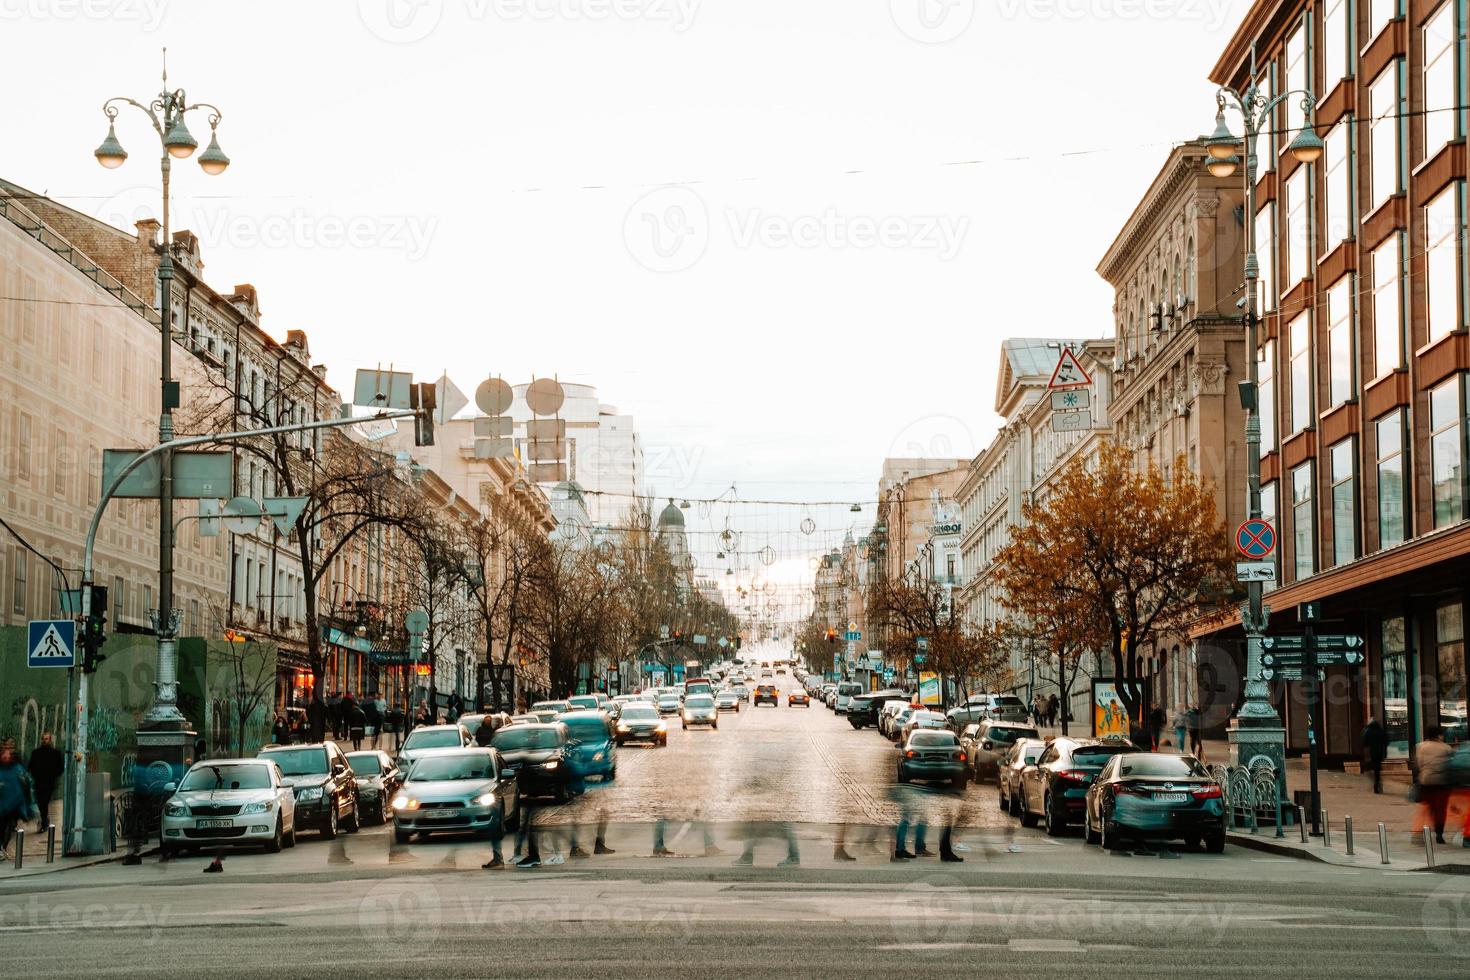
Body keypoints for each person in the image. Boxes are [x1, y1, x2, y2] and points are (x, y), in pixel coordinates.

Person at [0, 742, 39, 862]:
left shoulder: (17, 767)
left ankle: (2, 847)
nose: (6, 758)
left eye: (8, 756)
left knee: (9, 826)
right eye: (4, 756)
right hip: (2, 804)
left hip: (14, 805)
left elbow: (26, 781)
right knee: (2, 826)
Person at [1414, 732, 1453, 845]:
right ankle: (1439, 833)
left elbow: (1418, 765)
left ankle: (1419, 832)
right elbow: (1449, 765)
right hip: (1442, 783)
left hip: (1426, 782)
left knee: (1426, 807)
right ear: (1439, 735)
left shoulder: (1420, 746)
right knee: (1440, 809)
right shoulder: (1446, 748)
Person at [26, 732, 64, 832]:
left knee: (45, 802)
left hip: (49, 783)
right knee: (41, 802)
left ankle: (44, 822)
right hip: (38, 782)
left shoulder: (55, 753)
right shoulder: (36, 753)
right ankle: (44, 820)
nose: (45, 740)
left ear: (50, 740)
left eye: (47, 739)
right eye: (43, 739)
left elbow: (60, 767)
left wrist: (53, 776)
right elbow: (30, 766)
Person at [1361, 716, 1390, 794]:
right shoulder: (1381, 731)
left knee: (1368, 770)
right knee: (1377, 770)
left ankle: (1376, 783)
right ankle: (1377, 784)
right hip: (1379, 753)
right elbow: (1386, 742)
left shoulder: (1367, 731)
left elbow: (1364, 743)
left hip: (1370, 753)